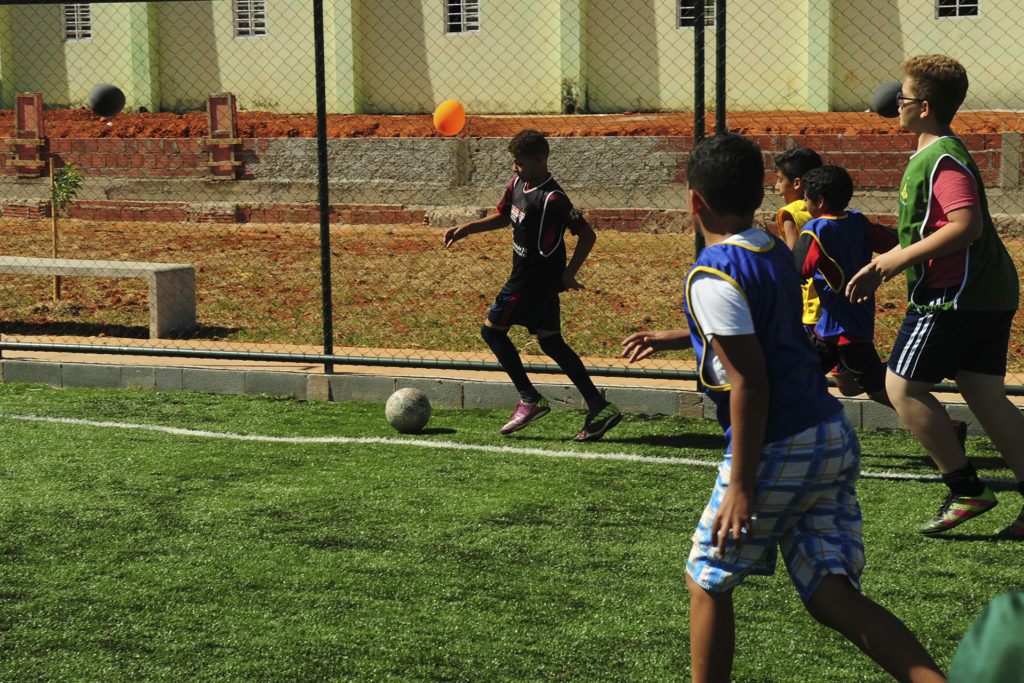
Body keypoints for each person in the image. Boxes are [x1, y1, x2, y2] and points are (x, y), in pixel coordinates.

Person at [621, 132, 944, 683]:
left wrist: (742, 484)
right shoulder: (772, 248)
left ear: (693, 201)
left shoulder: (711, 270)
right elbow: (763, 330)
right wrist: (677, 336)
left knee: (704, 580)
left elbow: (750, 381)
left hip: (778, 444)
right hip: (829, 435)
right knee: (827, 592)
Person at [846, 54, 1024, 538]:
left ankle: (966, 488)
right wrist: (884, 260)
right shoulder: (933, 153)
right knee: (985, 394)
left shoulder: (942, 158)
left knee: (902, 387)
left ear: (923, 107)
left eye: (901, 98)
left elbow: (966, 227)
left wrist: (895, 261)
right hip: (985, 289)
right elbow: (936, 227)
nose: (893, 104)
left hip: (955, 294)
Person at [443, 128, 621, 441]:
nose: (514, 167)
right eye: (513, 162)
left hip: (529, 283)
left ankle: (529, 398)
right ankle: (599, 406)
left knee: (491, 331)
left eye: (519, 162)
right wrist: (467, 229)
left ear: (540, 160)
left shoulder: (553, 198)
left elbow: (587, 234)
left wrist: (569, 273)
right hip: (534, 283)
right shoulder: (517, 184)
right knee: (551, 343)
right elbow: (502, 217)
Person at [794, 164, 900, 405]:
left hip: (847, 331)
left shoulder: (815, 229)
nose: (804, 205)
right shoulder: (858, 221)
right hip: (835, 324)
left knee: (877, 389)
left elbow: (796, 271)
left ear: (819, 202)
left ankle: (942, 422)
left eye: (806, 199)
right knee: (800, 376)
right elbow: (892, 241)